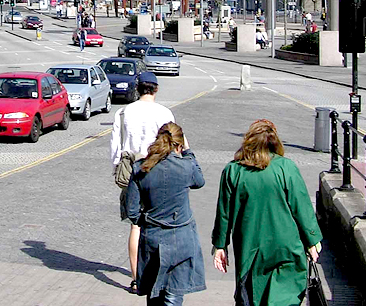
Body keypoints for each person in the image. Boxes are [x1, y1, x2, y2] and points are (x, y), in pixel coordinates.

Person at [212, 119, 322, 306]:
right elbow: (301, 206)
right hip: (287, 247)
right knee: (285, 298)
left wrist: (220, 245)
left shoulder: (233, 170)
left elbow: (224, 213)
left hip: (250, 249)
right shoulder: (286, 168)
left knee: (252, 296)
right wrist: (312, 240)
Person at [111, 71, 177, 294]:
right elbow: (174, 145)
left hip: (132, 170)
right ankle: (160, 274)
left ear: (137, 88)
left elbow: (116, 147)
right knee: (161, 221)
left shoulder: (123, 112)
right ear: (156, 89)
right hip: (159, 170)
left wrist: (117, 170)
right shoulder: (164, 113)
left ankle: (136, 278)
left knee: (136, 224)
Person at [125, 122, 206, 305]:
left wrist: (146, 222)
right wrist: (189, 152)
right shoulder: (186, 166)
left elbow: (132, 210)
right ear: (179, 145)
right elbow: (199, 181)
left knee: (154, 293)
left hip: (152, 235)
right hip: (181, 236)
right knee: (173, 294)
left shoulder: (141, 167)